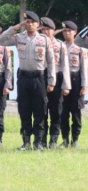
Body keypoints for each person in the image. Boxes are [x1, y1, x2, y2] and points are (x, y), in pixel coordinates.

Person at [0, 13, 55, 150]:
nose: (29, 24)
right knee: (24, 110)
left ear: (37, 24)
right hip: (24, 78)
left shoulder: (44, 40)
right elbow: (1, 40)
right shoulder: (19, 37)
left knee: (40, 111)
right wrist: (15, 27)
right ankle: (26, 142)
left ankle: (38, 142)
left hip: (39, 78)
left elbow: (51, 61)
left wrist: (51, 80)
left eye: (32, 22)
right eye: (27, 22)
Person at [40, 18, 70, 146]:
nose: (45, 32)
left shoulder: (60, 45)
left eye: (48, 29)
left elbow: (65, 66)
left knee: (56, 110)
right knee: (41, 110)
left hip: (57, 78)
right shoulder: (38, 43)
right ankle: (41, 139)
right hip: (41, 77)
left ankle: (53, 139)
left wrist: (66, 85)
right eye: (43, 29)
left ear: (53, 31)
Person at [60, 20, 85, 146]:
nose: (66, 33)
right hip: (62, 82)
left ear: (75, 32)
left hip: (76, 82)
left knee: (76, 113)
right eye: (64, 31)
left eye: (69, 31)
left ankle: (75, 139)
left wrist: (84, 85)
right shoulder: (59, 47)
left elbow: (84, 69)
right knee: (63, 112)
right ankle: (65, 139)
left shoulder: (80, 50)